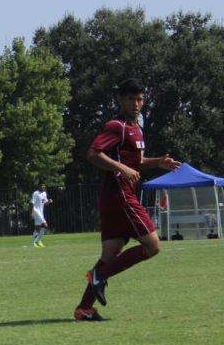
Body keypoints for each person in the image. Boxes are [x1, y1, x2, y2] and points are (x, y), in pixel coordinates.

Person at [74, 78, 179, 322]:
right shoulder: (116, 126)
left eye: (140, 99)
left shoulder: (136, 128)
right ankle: (99, 276)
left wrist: (157, 163)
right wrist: (121, 168)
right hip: (121, 196)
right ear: (120, 99)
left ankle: (83, 309)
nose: (136, 103)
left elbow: (135, 162)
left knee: (109, 255)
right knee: (153, 246)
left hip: (114, 198)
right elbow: (93, 153)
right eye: (131, 98)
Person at [31, 182, 52, 247]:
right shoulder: (35, 193)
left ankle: (35, 243)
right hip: (36, 211)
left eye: (44, 185)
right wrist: (32, 212)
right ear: (39, 186)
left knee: (37, 227)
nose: (43, 186)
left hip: (41, 212)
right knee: (45, 225)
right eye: (42, 185)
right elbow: (32, 203)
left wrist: (49, 201)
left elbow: (44, 203)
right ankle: (38, 241)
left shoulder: (44, 193)